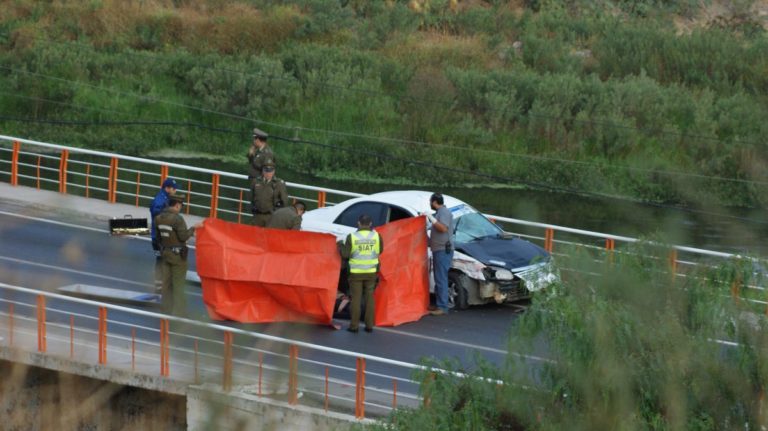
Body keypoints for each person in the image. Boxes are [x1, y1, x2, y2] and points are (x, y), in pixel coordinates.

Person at [154, 195, 202, 317]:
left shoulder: (158, 218)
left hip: (166, 254)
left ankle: (166, 308)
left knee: (166, 284)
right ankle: (181, 312)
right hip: (178, 257)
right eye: (180, 206)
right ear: (177, 205)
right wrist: (193, 228)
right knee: (178, 285)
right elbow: (183, 236)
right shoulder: (177, 219)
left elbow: (158, 238)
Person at [339, 214, 383, 333]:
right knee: (369, 298)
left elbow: (346, 255)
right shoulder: (377, 236)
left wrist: (340, 245)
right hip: (371, 272)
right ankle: (369, 326)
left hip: (356, 273)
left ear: (358, 223)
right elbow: (380, 250)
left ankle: (354, 326)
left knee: (356, 299)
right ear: (370, 224)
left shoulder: (352, 237)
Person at [424, 193, 454, 316]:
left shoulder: (444, 212)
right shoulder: (439, 213)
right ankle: (438, 304)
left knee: (441, 278)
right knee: (438, 278)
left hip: (443, 250)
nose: (430, 204)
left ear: (435, 202)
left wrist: (431, 218)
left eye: (431, 202)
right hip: (438, 250)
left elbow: (443, 229)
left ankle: (442, 306)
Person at [149, 177, 178, 292]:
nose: (175, 190)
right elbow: (155, 212)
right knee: (162, 260)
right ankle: (160, 286)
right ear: (167, 188)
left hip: (161, 236)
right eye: (174, 188)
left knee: (162, 259)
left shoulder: (165, 198)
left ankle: (160, 285)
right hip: (158, 237)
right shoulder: (160, 199)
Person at [250, 161, 288, 227]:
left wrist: (277, 215)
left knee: (269, 235)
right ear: (262, 171)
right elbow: (251, 197)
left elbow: (284, 201)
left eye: (270, 171)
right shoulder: (256, 181)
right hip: (257, 216)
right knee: (254, 235)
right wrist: (252, 209)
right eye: (266, 171)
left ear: (273, 172)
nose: (268, 173)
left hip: (271, 216)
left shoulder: (279, 183)